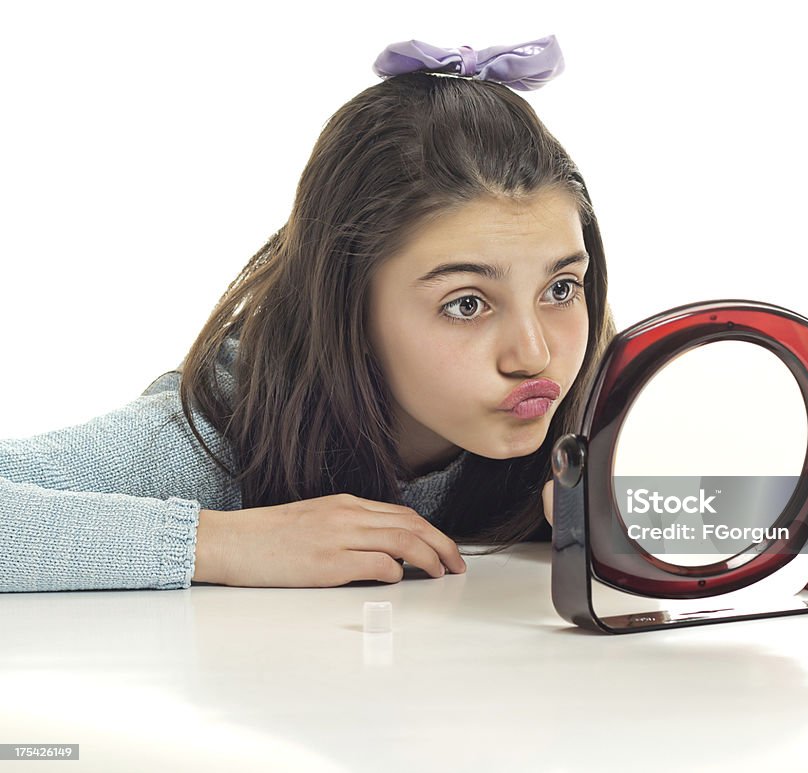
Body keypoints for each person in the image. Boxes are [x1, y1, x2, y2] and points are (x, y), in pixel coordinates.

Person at [0, 35, 616, 593]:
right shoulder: (221, 436)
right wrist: (220, 543)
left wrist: (641, 516)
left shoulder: (593, 406)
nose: (534, 354)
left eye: (560, 289)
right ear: (348, 304)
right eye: (466, 304)